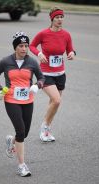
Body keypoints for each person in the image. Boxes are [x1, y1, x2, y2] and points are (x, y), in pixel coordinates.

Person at [0, 31, 45, 177]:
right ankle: (22, 165)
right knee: (20, 130)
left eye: (26, 46)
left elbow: (41, 77)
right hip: (11, 99)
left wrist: (37, 85)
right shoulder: (6, 61)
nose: (24, 49)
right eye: (21, 46)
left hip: (28, 100)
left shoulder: (32, 62)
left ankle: (11, 141)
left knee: (24, 133)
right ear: (15, 47)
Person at [29, 6, 76, 142]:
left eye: (61, 17)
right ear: (52, 19)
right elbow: (32, 45)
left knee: (54, 103)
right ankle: (44, 128)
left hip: (60, 74)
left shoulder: (66, 35)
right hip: (45, 73)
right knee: (56, 100)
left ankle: (47, 130)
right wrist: (39, 53)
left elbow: (70, 50)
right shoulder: (43, 34)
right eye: (57, 17)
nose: (60, 19)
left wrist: (72, 53)